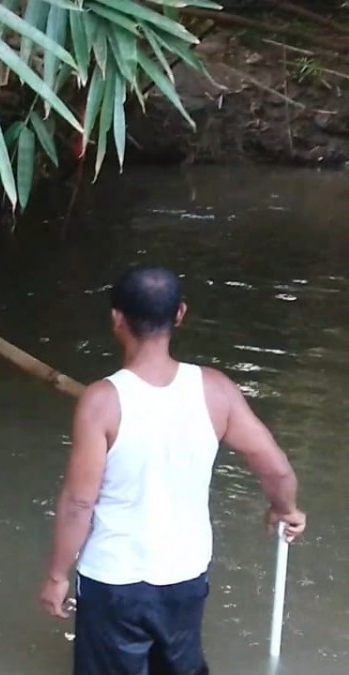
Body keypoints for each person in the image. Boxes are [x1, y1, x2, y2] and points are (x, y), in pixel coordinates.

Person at [38, 265, 306, 675]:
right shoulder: (216, 390)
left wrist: (58, 575)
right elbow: (276, 470)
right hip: (185, 576)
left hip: (113, 579)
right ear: (180, 313)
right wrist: (285, 508)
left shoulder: (101, 401)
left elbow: (79, 502)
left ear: (116, 318)